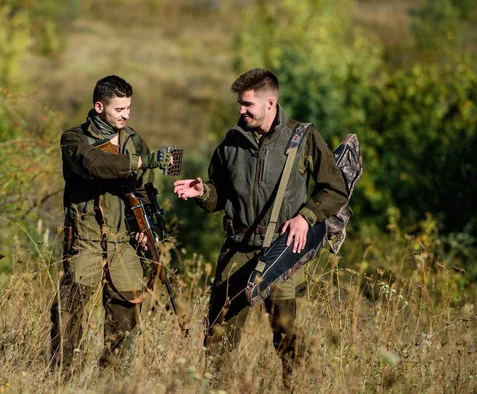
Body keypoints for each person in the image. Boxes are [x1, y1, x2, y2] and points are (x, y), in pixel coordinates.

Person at [173, 68, 348, 389]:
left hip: (283, 251)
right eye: (240, 103)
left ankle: (295, 388)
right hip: (237, 249)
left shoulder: (304, 138)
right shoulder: (231, 142)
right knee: (219, 335)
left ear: (270, 103)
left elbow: (335, 190)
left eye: (247, 105)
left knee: (289, 336)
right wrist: (203, 192)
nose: (241, 110)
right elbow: (219, 196)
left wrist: (306, 216)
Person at [51, 75, 171, 370]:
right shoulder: (74, 138)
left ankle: (113, 381)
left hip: (123, 244)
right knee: (68, 315)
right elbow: (95, 165)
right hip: (86, 242)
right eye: (119, 109)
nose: (126, 115)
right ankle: (59, 378)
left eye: (128, 108)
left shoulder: (133, 139)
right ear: (99, 106)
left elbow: (144, 190)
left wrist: (146, 230)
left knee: (125, 318)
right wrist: (141, 161)